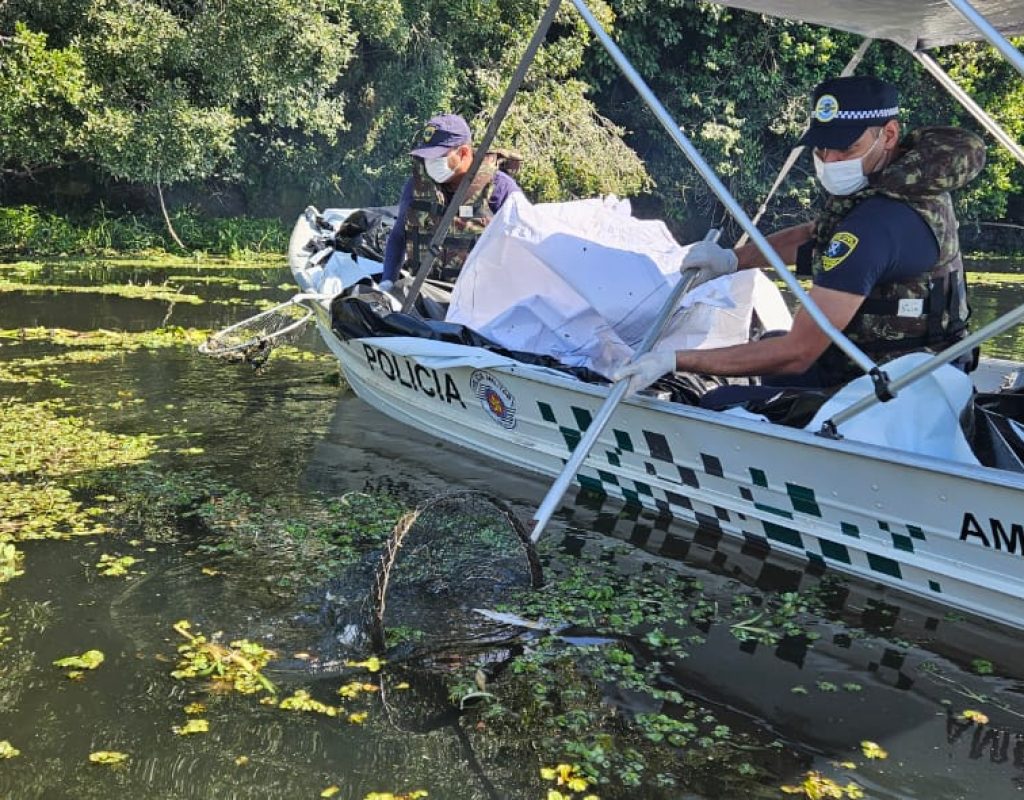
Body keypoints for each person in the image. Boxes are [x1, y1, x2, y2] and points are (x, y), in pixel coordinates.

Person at [613, 75, 986, 401]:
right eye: (822, 148)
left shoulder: (873, 225)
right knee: (768, 345)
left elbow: (798, 352)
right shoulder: (912, 180)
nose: (831, 159)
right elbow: (813, 234)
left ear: (888, 135)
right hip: (930, 365)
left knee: (720, 400)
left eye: (846, 147)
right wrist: (730, 260)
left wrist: (673, 360)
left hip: (891, 391)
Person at [378, 113, 523, 291]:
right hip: (425, 295)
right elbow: (399, 235)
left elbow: (524, 246)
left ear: (463, 153)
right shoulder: (416, 187)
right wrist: (387, 281)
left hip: (476, 301)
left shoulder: (500, 188)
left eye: (438, 158)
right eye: (427, 158)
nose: (430, 164)